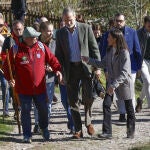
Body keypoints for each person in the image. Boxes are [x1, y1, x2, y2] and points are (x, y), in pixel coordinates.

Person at [2, 27, 62, 143]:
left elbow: (53, 59)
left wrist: (58, 70)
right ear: (26, 38)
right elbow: (6, 67)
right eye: (34, 36)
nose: (36, 38)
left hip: (39, 88)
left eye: (36, 36)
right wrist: (10, 79)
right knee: (25, 112)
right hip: (23, 89)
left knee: (44, 110)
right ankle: (27, 135)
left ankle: (43, 128)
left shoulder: (41, 47)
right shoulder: (15, 50)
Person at [55, 7, 100, 139]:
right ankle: (78, 129)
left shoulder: (85, 28)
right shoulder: (60, 33)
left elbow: (94, 48)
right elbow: (59, 55)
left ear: (75, 17)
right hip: (70, 69)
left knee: (88, 97)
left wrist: (97, 67)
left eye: (70, 19)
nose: (68, 22)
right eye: (65, 20)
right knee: (73, 100)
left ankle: (88, 122)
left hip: (84, 67)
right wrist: (60, 71)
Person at [82, 29, 135, 139]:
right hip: (112, 83)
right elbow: (102, 63)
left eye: (109, 37)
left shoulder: (124, 52)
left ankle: (130, 132)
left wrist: (113, 85)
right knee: (106, 104)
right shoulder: (110, 50)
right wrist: (89, 60)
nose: (107, 39)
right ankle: (107, 132)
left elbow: (125, 72)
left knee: (129, 108)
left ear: (115, 39)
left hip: (124, 84)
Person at [101, 13, 142, 122]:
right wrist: (105, 69)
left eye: (121, 21)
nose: (119, 23)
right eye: (117, 21)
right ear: (114, 21)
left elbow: (137, 50)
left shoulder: (132, 32)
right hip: (113, 67)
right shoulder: (108, 34)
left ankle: (130, 115)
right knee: (118, 93)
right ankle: (122, 113)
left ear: (125, 21)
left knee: (128, 91)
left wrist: (139, 68)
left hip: (129, 67)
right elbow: (104, 51)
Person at [136, 16, 150, 112]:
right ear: (144, 23)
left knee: (147, 84)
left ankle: (140, 100)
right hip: (142, 60)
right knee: (147, 81)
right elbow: (136, 50)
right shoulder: (138, 33)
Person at [0, 17, 10, 117]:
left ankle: (5, 110)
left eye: (1, 25)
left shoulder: (6, 32)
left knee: (4, 85)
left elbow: (8, 46)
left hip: (2, 63)